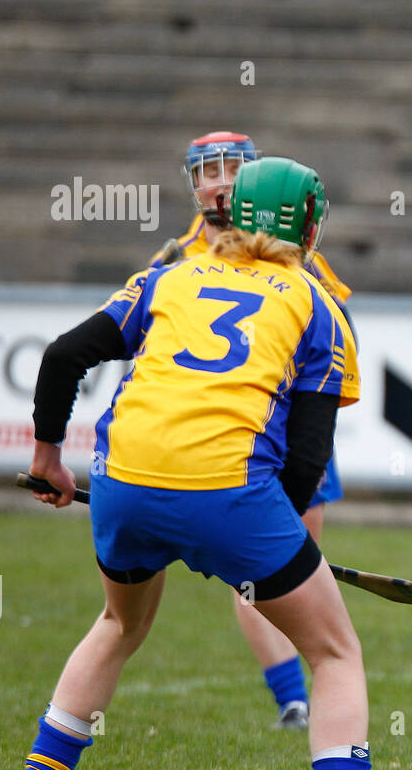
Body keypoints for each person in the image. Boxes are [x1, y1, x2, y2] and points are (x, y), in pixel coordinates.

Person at [20, 157, 371, 770]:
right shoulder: (321, 309)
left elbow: (63, 355)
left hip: (123, 482)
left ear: (232, 213)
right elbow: (308, 459)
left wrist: (47, 459)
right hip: (231, 497)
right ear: (311, 229)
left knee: (118, 625)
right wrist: (258, 550)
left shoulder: (168, 279)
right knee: (335, 653)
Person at [150, 131, 357, 730]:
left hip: (290, 423)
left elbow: (336, 325)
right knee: (249, 571)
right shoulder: (174, 260)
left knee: (297, 560)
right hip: (215, 432)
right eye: (206, 170)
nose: (218, 181)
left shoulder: (299, 251)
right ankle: (294, 699)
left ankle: (319, 681)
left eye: (231, 169)